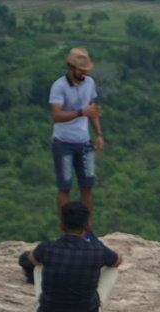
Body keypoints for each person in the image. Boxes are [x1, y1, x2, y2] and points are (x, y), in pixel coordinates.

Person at [26, 201, 122, 312]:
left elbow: (31, 258)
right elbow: (118, 260)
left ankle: (43, 302)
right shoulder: (97, 251)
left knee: (39, 264)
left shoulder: (47, 248)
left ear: (61, 225)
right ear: (87, 226)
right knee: (112, 269)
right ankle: (95, 304)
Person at [50, 47, 103, 222]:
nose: (84, 73)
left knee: (87, 186)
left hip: (84, 141)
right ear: (71, 67)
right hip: (63, 142)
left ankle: (86, 228)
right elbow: (56, 116)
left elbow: (92, 109)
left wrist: (98, 134)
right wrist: (81, 112)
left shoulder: (90, 83)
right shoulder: (59, 86)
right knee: (64, 187)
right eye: (81, 70)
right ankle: (65, 227)